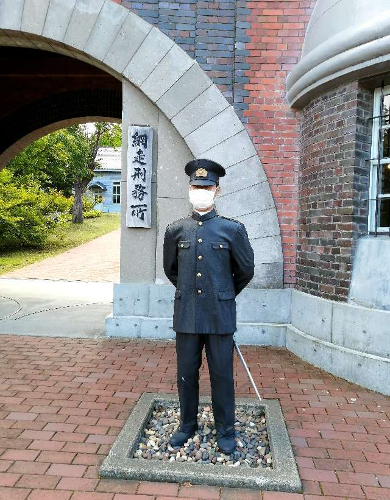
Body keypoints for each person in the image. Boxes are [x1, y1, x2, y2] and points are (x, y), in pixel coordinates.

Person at [162, 158, 255, 454]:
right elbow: (171, 270)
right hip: (187, 314)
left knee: (222, 375)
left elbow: (245, 270)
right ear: (189, 188)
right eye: (196, 186)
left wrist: (224, 292)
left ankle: (225, 429)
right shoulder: (176, 230)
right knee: (186, 373)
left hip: (219, 315)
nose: (201, 191)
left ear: (217, 190)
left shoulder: (233, 230)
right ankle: (187, 425)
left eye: (207, 186)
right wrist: (191, 292)